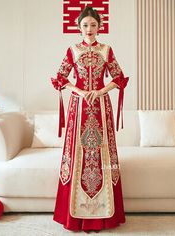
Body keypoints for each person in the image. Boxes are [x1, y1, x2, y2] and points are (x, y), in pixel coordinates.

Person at [51, 5, 129, 232]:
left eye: (93, 25)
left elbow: (119, 78)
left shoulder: (106, 50)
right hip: (79, 107)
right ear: (79, 27)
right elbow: (60, 78)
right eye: (85, 25)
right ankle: (76, 216)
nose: (89, 29)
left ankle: (105, 215)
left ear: (99, 26)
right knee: (78, 154)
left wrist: (102, 91)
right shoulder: (72, 50)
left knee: (101, 153)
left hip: (101, 109)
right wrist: (81, 91)